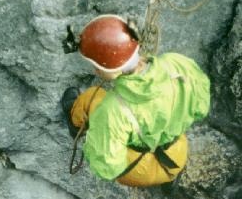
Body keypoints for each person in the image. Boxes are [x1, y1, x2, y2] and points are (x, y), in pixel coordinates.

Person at [62, 15, 210, 187]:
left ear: (111, 69)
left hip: (143, 169)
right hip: (176, 155)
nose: (95, 71)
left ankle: (75, 124)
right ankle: (169, 178)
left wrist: (95, 139)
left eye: (97, 66)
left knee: (92, 97)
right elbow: (202, 106)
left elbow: (107, 167)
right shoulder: (176, 64)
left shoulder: (113, 110)